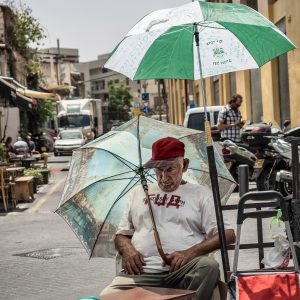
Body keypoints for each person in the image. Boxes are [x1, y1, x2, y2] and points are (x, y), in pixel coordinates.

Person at [101, 137, 235, 300]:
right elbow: (121, 234)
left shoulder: (201, 194)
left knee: (209, 266)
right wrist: (127, 250)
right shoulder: (138, 192)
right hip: (142, 274)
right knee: (107, 296)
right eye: (158, 170)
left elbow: (228, 234)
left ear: (184, 165)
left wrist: (189, 253)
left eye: (170, 169)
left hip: (182, 273)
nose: (163, 178)